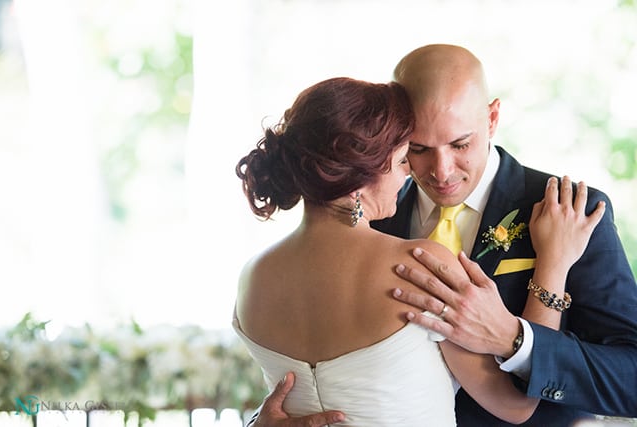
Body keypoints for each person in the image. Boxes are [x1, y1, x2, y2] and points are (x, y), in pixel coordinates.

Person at [235, 76, 604, 426]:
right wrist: (553, 265)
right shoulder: (420, 266)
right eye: (401, 161)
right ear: (356, 184)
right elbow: (517, 405)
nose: (407, 176)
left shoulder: (252, 277)